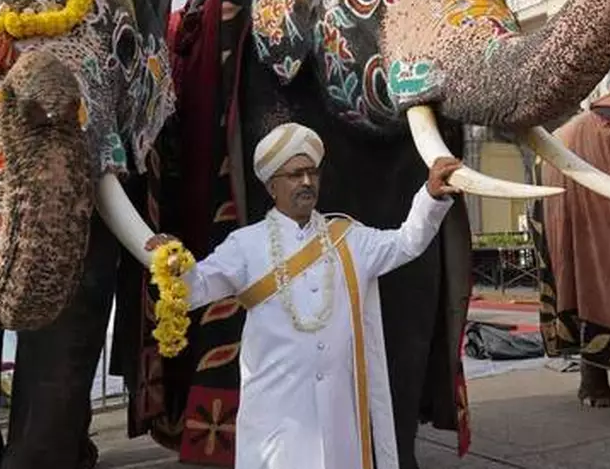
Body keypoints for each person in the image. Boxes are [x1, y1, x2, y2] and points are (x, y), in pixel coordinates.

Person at [160, 122, 460, 469]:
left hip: (338, 415)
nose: (306, 182)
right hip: (276, 420)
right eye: (294, 174)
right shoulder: (245, 245)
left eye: (312, 172)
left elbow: (405, 243)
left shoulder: (347, 238)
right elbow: (197, 287)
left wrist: (431, 197)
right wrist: (171, 262)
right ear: (272, 186)